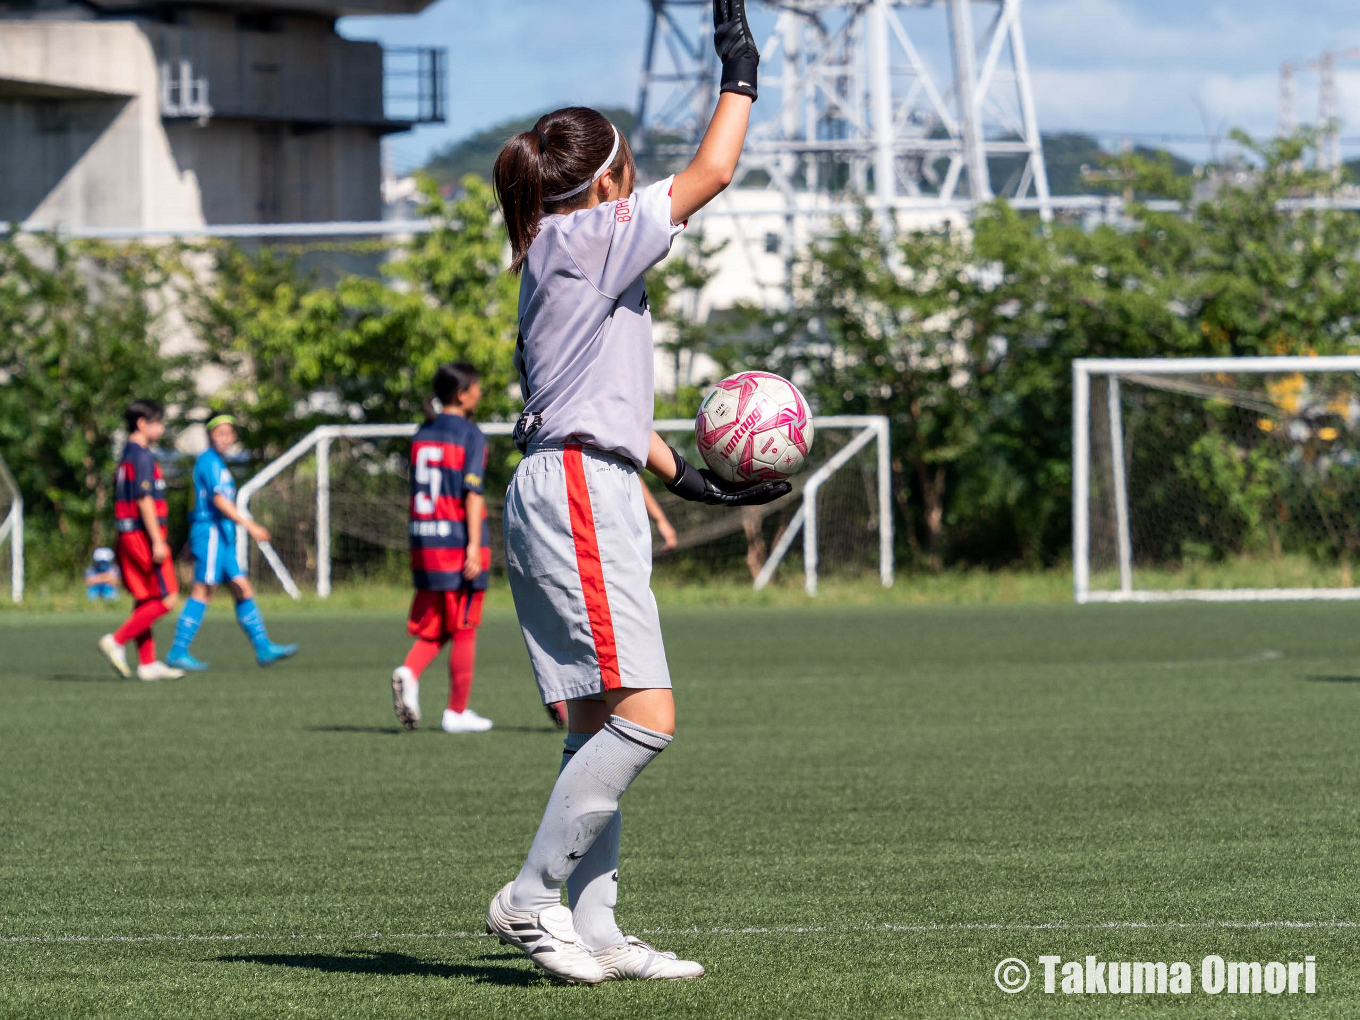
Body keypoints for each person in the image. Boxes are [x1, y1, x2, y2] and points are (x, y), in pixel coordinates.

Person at [482, 1, 786, 984]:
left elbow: (601, 401)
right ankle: (530, 899)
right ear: (607, 177)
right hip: (574, 488)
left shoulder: (561, 250)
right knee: (645, 717)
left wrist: (684, 476)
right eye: (628, 167)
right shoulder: (586, 236)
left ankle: (599, 931)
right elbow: (714, 172)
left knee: (592, 720)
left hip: (577, 474)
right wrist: (739, 69)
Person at [391, 362, 494, 734]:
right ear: (462, 393)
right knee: (465, 626)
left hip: (423, 541)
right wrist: (471, 547)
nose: (480, 393)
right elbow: (471, 492)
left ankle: (410, 671)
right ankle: (456, 711)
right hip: (456, 541)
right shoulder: (469, 433)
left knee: (439, 626)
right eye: (477, 387)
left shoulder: (423, 431)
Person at [165, 414, 298, 672]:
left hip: (221, 535)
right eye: (219, 433)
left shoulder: (219, 464)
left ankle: (263, 647)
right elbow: (218, 501)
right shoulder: (209, 461)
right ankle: (177, 651)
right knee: (204, 590)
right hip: (211, 532)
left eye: (229, 433)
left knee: (242, 588)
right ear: (210, 435)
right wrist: (250, 525)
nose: (225, 438)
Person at [543, 478, 677, 728]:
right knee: (651, 725)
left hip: (564, 515)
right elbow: (635, 457)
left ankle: (566, 689)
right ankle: (568, 688)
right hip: (589, 521)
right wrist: (688, 480)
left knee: (574, 623)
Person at [99, 400, 185, 681]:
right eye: (158, 421)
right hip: (142, 536)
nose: (161, 427)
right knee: (168, 598)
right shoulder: (143, 456)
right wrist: (157, 541)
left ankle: (147, 663)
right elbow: (144, 500)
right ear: (142, 424)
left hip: (126, 533)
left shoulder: (126, 456)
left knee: (144, 597)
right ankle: (117, 640)